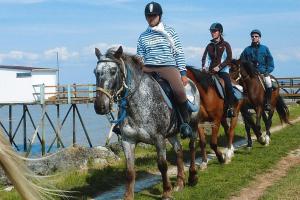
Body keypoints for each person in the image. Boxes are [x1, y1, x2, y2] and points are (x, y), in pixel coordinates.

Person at [137, 1, 198, 138]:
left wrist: (182, 73)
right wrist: (140, 67)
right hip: (148, 68)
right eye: (148, 16)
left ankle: (184, 123)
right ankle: (126, 123)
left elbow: (179, 53)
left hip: (167, 67)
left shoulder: (170, 31)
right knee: (132, 89)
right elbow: (140, 56)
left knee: (179, 92)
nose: (151, 18)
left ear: (160, 16)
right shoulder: (142, 36)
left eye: (154, 15)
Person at [201, 22, 235, 117]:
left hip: (223, 72)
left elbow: (229, 58)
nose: (212, 33)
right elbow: (205, 58)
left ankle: (231, 108)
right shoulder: (209, 46)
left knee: (229, 86)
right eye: (211, 31)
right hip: (211, 72)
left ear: (220, 32)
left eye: (214, 31)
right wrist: (204, 67)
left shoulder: (225, 45)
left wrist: (219, 67)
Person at [240, 29, 275, 111]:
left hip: (262, 72)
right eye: (252, 36)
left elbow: (271, 63)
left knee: (269, 83)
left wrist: (267, 71)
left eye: (256, 36)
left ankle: (267, 103)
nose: (254, 38)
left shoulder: (265, 48)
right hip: (251, 74)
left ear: (259, 38)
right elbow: (241, 61)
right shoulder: (246, 50)